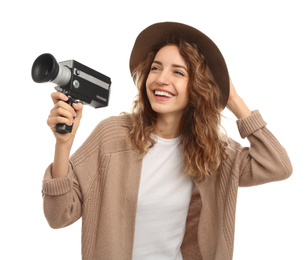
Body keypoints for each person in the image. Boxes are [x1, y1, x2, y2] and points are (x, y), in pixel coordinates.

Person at [42, 22, 292, 260]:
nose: (161, 79)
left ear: (198, 87)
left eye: (178, 72)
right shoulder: (113, 136)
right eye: (155, 67)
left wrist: (233, 99)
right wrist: (63, 145)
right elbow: (59, 216)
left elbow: (277, 165)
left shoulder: (213, 153)